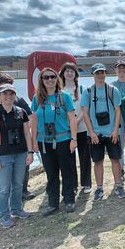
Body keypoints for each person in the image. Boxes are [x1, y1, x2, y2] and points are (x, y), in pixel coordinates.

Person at [0, 84, 34, 228]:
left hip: (20, 153)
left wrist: (30, 152)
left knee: (18, 184)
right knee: (4, 188)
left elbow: (27, 133)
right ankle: (4, 216)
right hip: (3, 156)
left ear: (15, 96)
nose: (8, 97)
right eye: (5, 94)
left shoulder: (21, 112)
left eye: (11, 94)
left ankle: (17, 209)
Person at [31, 68, 78, 216]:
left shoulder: (65, 97)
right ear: (41, 80)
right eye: (46, 78)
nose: (50, 80)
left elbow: (72, 119)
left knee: (67, 171)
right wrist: (33, 142)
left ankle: (69, 199)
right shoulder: (37, 99)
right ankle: (53, 203)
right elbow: (34, 121)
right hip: (45, 142)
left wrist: (74, 139)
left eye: (52, 77)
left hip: (64, 140)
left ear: (57, 78)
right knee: (51, 173)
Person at [0, 73, 36, 200]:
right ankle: (7, 198)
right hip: (0, 143)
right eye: (2, 86)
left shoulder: (19, 100)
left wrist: (24, 130)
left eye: (9, 86)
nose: (7, 92)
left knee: (23, 166)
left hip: (19, 141)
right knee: (3, 170)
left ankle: (23, 190)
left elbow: (31, 117)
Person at [81, 63, 125, 201]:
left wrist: (115, 130)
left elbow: (118, 111)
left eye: (102, 72)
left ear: (105, 73)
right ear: (93, 74)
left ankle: (118, 185)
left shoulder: (113, 90)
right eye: (97, 72)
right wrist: (92, 132)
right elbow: (85, 113)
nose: (100, 75)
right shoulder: (88, 91)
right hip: (95, 134)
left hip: (111, 132)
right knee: (98, 161)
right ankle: (99, 188)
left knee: (115, 159)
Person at [59, 62, 92, 194]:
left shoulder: (83, 89)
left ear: (76, 74)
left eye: (72, 71)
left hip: (82, 128)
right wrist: (68, 123)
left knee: (84, 156)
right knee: (69, 158)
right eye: (66, 71)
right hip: (66, 130)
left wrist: (77, 121)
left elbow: (86, 109)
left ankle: (86, 183)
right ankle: (72, 184)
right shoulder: (59, 91)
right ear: (62, 74)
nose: (69, 73)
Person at [111, 60, 125, 180]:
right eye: (119, 68)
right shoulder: (112, 85)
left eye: (123, 68)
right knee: (120, 145)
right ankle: (121, 169)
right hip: (118, 119)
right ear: (115, 70)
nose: (121, 70)